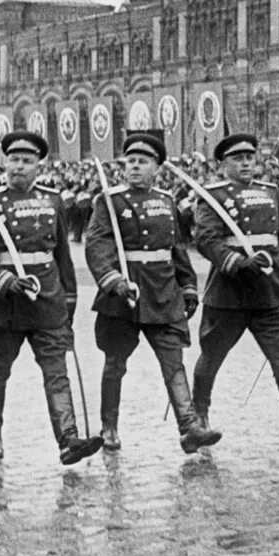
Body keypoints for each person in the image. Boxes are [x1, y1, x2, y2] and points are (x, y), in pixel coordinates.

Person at [0, 131, 103, 466]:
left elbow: (61, 253)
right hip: (5, 303)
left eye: (27, 161)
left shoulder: (53, 199)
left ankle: (68, 438)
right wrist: (4, 281)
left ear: (39, 165)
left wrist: (69, 298)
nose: (19, 167)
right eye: (13, 160)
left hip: (47, 299)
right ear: (5, 162)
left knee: (56, 371)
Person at [84, 133, 220, 454]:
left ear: (156, 167)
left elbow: (176, 248)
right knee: (115, 362)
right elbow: (96, 246)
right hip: (123, 295)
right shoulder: (109, 200)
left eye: (142, 162)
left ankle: (189, 427)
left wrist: (187, 286)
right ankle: (109, 427)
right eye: (130, 161)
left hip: (163, 294)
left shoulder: (167, 200)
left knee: (173, 362)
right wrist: (113, 280)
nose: (134, 166)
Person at [191, 134, 279, 442]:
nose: (245, 164)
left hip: (270, 292)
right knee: (212, 356)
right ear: (223, 164)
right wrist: (237, 262)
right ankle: (198, 416)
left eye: (250, 158)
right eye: (237, 159)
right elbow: (206, 239)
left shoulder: (271, 192)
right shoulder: (212, 195)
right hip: (228, 294)